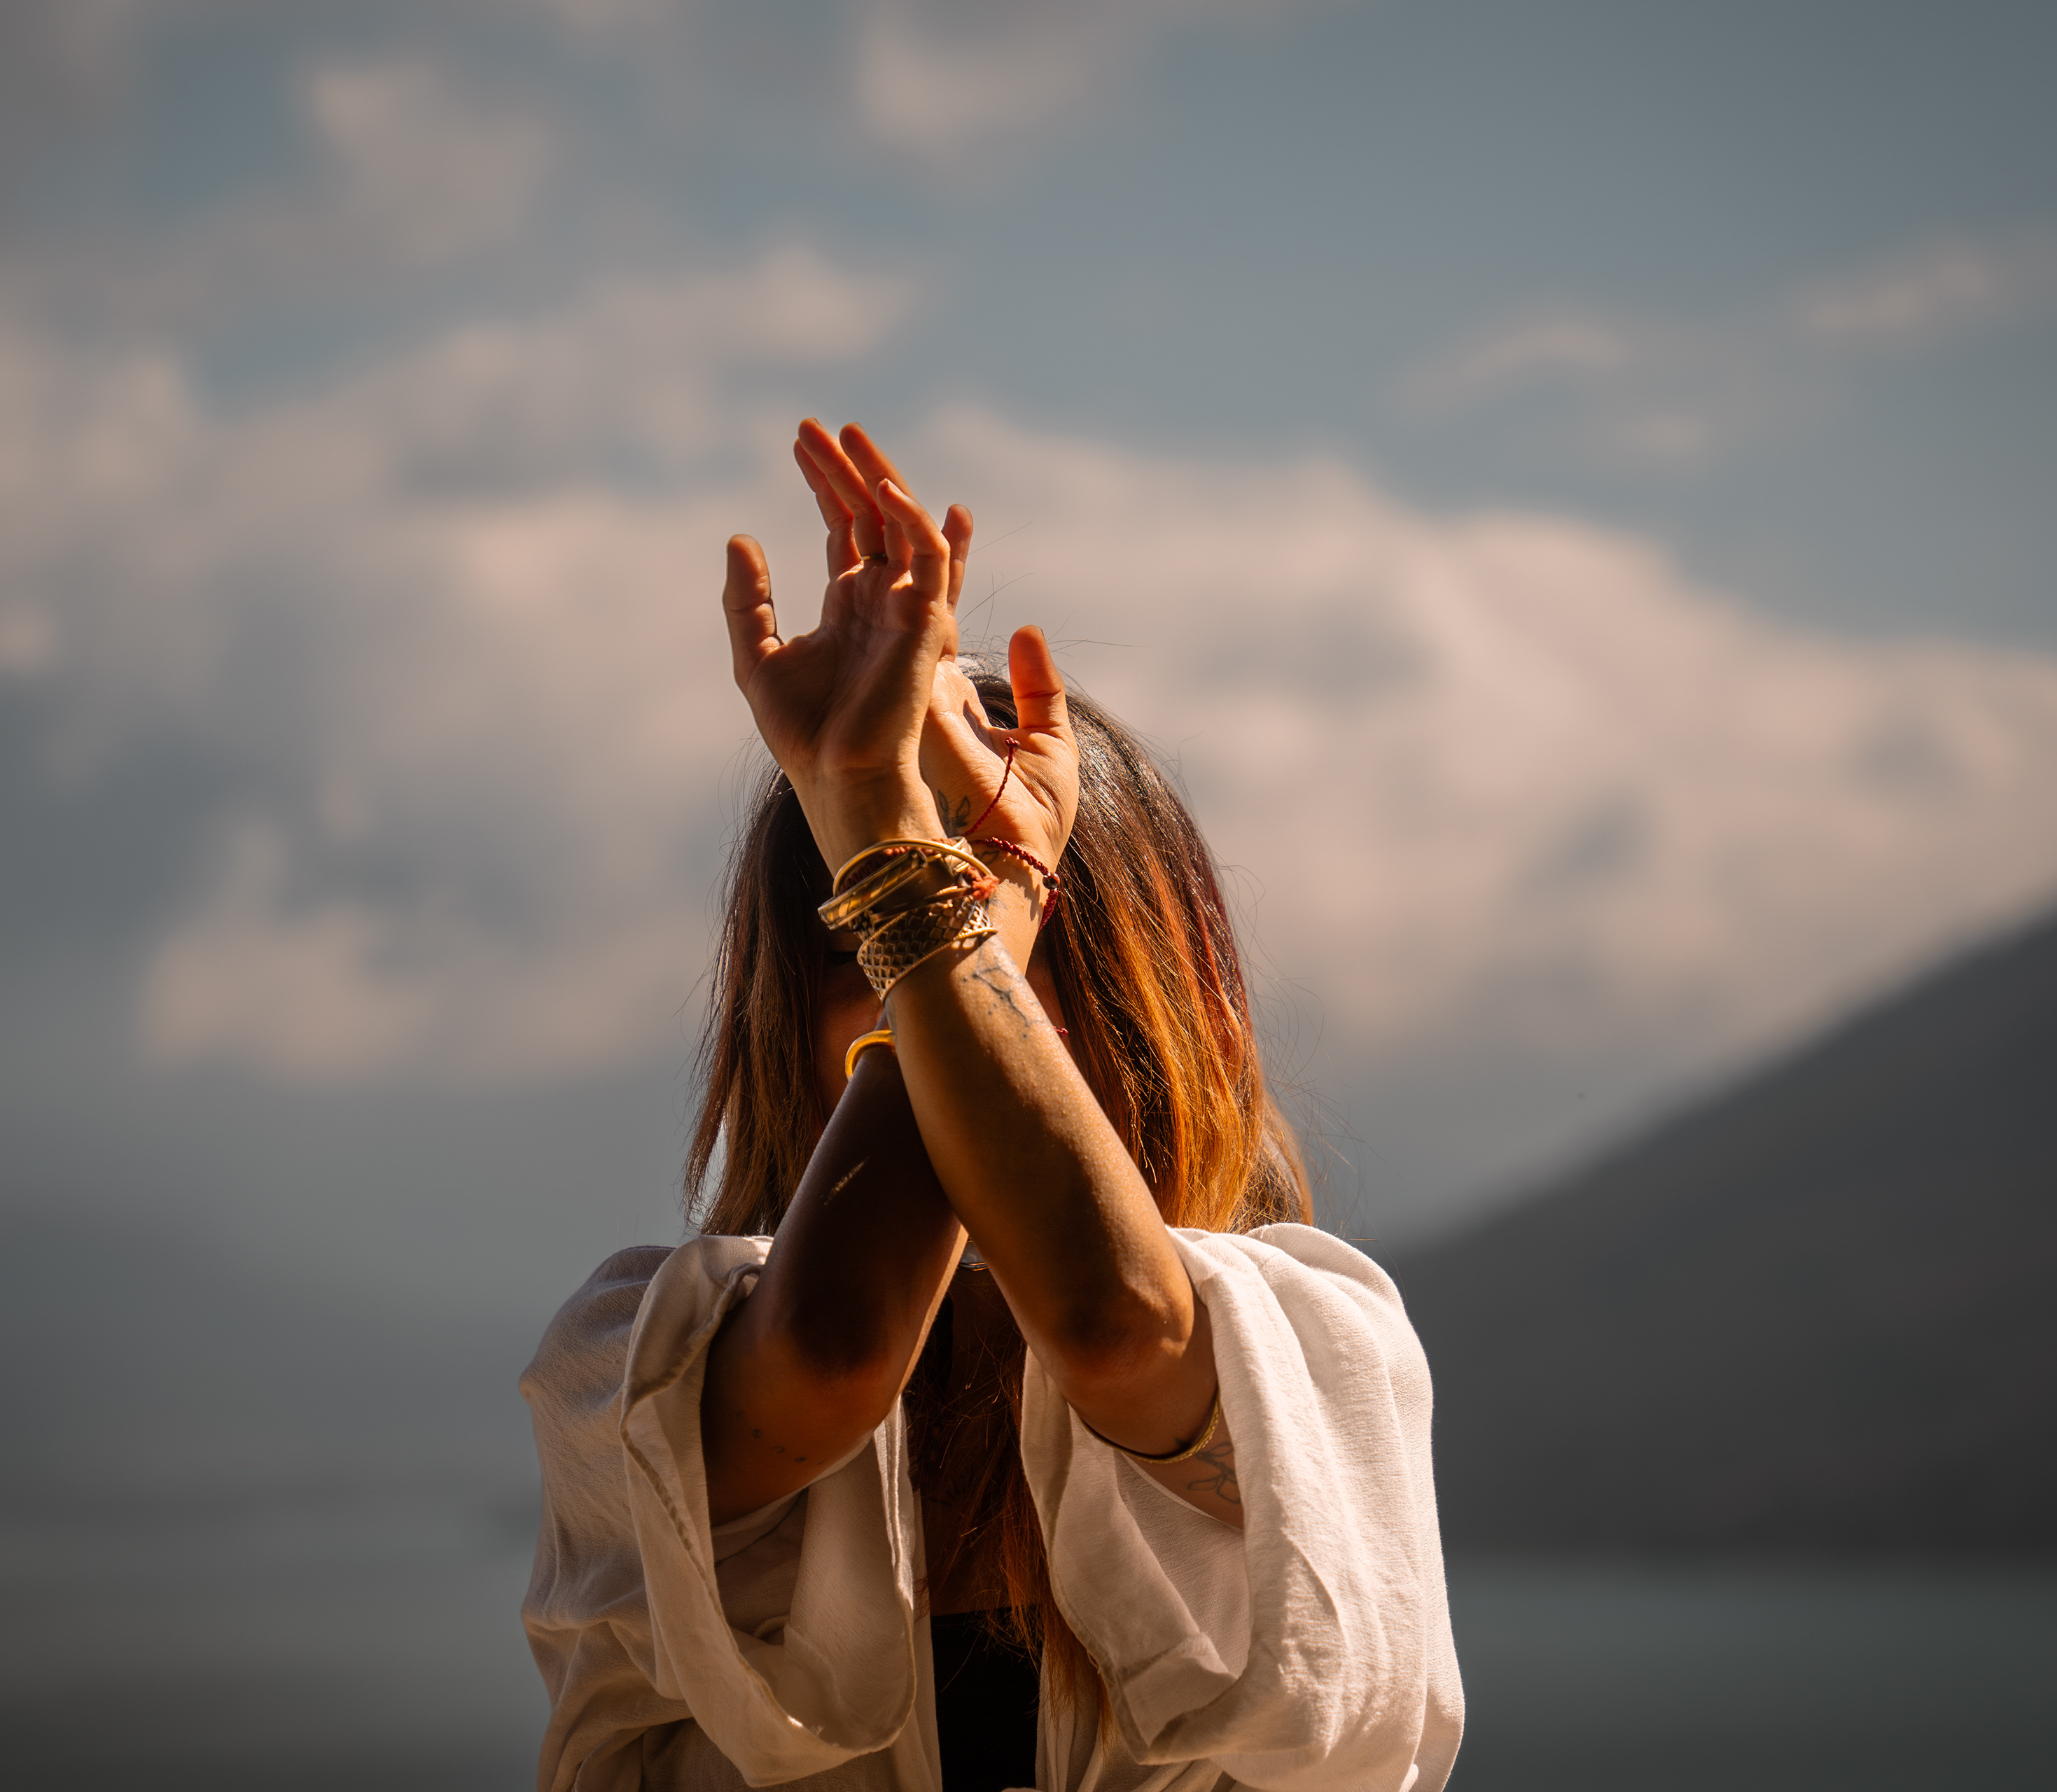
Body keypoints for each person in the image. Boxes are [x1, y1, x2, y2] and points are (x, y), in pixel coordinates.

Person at [522, 421, 1464, 1792]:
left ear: (1147, 1000)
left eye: (1020, 949)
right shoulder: (633, 1363)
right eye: (855, 936)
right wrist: (960, 885)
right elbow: (833, 1354)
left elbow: (1115, 1323)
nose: (927, 989)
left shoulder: (1315, 1347)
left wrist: (950, 899)